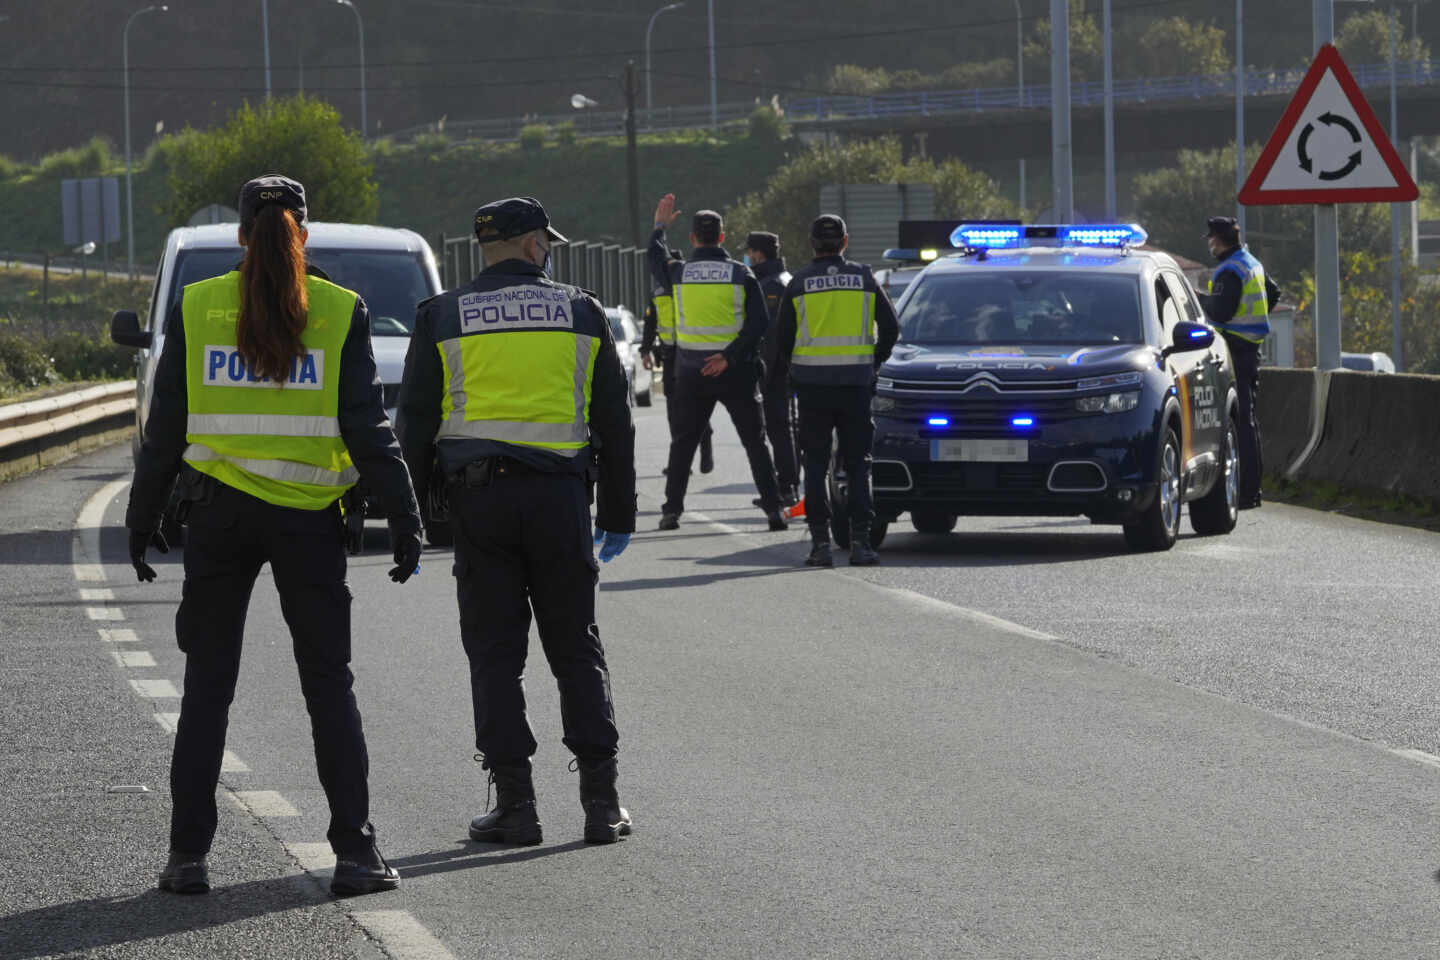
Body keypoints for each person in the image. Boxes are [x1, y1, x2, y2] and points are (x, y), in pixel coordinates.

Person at [126, 175, 422, 897]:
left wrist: (143, 517)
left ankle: (187, 858)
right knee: (328, 687)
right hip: (308, 523)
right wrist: (405, 515)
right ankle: (355, 853)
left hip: (218, 520)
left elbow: (164, 430)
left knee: (207, 690)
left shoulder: (198, 306)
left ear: (239, 236)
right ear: (304, 234)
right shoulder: (338, 309)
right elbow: (366, 427)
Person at [395, 196, 637, 846]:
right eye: (546, 242)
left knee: (496, 656)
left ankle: (517, 807)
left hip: (480, 507)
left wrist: (410, 518)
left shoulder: (443, 315)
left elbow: (413, 425)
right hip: (561, 503)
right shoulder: (581, 311)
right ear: (533, 246)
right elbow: (614, 422)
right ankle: (602, 803)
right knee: (576, 648)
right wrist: (618, 513)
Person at [648, 194, 787, 532]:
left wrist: (659, 228)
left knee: (683, 444)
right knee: (755, 443)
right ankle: (773, 510)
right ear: (723, 237)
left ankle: (671, 511)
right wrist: (728, 356)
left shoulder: (679, 272)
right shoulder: (741, 274)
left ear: (694, 238)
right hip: (735, 371)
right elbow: (759, 325)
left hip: (691, 372)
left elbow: (655, 257)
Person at [775, 214, 899, 567]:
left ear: (812, 244)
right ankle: (861, 544)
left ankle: (820, 546)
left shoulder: (798, 283)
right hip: (856, 386)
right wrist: (873, 363)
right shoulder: (863, 277)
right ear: (845, 242)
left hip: (812, 387)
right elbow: (891, 327)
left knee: (814, 467)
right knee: (859, 465)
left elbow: (782, 340)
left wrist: (796, 369)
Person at [1197, 215, 1280, 510]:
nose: (1209, 243)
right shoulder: (1250, 261)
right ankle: (1251, 491)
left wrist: (1197, 300)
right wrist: (1254, 321)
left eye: (1211, 238)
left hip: (1234, 348)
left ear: (1218, 241)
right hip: (1250, 348)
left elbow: (1219, 312)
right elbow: (1274, 293)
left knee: (1240, 422)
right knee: (1247, 420)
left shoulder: (1229, 270)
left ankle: (1246, 493)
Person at [640, 248, 714, 476]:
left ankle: (705, 444)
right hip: (671, 358)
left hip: (693, 355)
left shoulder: (692, 288)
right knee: (674, 412)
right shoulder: (657, 293)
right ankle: (681, 462)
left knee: (696, 407)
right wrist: (645, 351)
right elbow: (651, 325)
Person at [745, 230, 800, 506]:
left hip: (774, 370)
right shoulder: (784, 279)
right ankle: (786, 485)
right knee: (782, 427)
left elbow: (771, 335)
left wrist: (764, 372)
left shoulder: (771, 286)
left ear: (759, 253)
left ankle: (786, 487)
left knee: (779, 427)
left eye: (750, 252)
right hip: (784, 368)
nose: (748, 257)